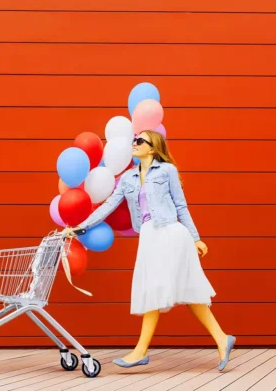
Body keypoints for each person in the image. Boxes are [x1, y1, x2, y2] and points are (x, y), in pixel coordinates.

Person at [67, 130, 236, 371]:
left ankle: (140, 351)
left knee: (162, 288)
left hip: (172, 233)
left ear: (153, 148)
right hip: (149, 236)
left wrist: (196, 238)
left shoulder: (167, 171)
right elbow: (108, 207)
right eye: (133, 140)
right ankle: (221, 338)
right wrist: (81, 227)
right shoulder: (127, 179)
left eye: (139, 141)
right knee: (172, 290)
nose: (134, 144)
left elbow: (181, 206)